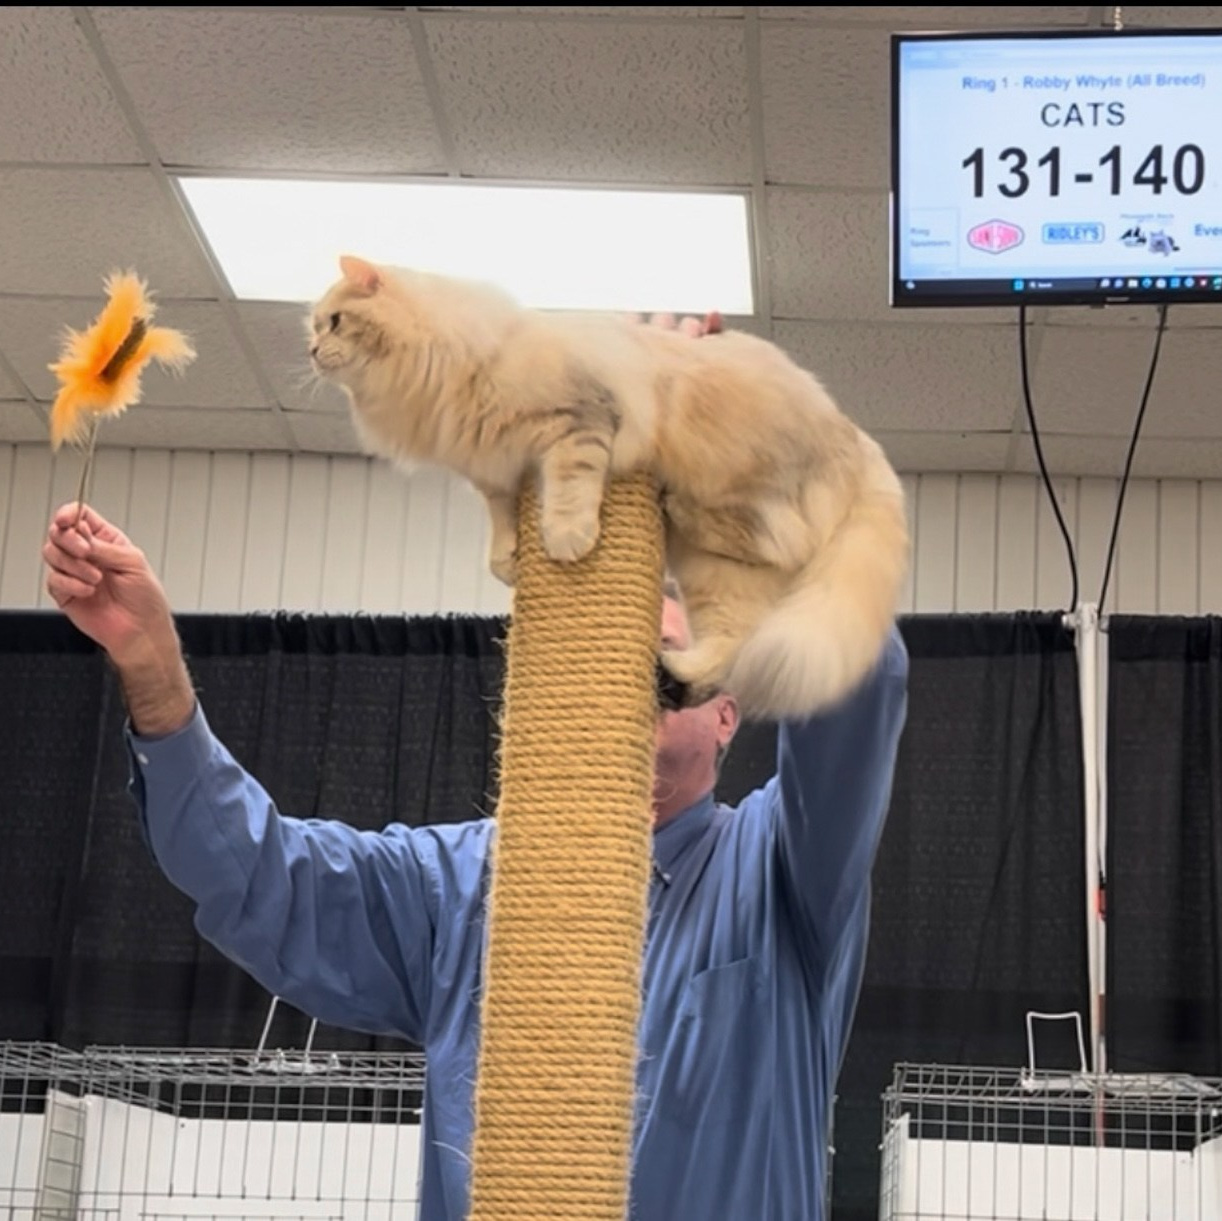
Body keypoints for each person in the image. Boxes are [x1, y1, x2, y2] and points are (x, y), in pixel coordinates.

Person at [41, 350, 908, 1221]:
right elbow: (258, 874)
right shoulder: (457, 887)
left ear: (728, 710)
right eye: (599, 655)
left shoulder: (780, 871)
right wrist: (151, 663)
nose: (623, 677)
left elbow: (856, 690)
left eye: (661, 664)